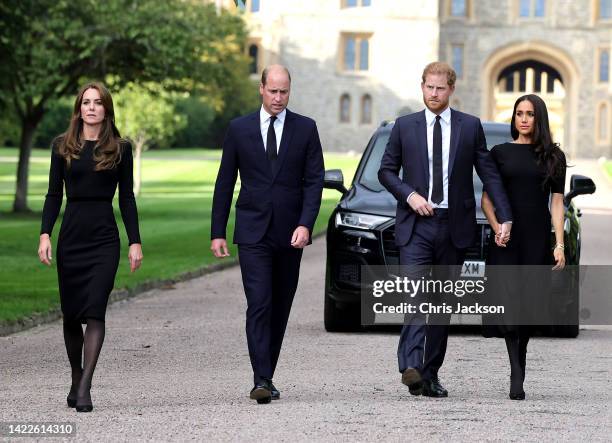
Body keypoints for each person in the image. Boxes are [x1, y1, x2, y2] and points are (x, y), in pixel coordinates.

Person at [378, 62, 512, 398]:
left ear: (451, 89)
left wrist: (505, 214)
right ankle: (410, 365)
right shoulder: (404, 127)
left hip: (454, 226)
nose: (434, 94)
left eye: (440, 88)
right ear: (421, 86)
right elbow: (386, 171)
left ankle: (430, 374)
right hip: (416, 225)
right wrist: (409, 195)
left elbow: (488, 173)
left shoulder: (470, 127)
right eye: (429, 87)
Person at [210, 64, 324, 404]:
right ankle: (260, 378)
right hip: (253, 231)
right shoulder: (239, 129)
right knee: (259, 303)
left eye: (284, 92)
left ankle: (267, 373)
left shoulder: (305, 128)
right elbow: (225, 181)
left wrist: (306, 223)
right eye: (273, 91)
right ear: (261, 89)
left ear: (290, 91)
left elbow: (314, 180)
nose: (278, 98)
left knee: (280, 306)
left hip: (291, 233)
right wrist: (218, 231)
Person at [38, 82, 143, 412]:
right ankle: (75, 375)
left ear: (106, 109)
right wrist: (44, 234)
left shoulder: (120, 149)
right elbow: (54, 194)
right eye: (86, 102)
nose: (92, 107)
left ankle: (85, 387)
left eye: (98, 103)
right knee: (71, 314)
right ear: (79, 108)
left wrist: (135, 241)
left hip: (104, 238)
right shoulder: (62, 146)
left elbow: (126, 197)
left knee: (95, 309)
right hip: (72, 236)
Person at [481, 94, 566, 400]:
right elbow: (487, 199)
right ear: (514, 118)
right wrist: (496, 229)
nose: (524, 119)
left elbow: (557, 203)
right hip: (507, 238)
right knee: (507, 302)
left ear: (539, 117)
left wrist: (559, 244)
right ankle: (516, 370)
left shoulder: (554, 156)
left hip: (536, 237)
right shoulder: (500, 153)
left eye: (530, 114)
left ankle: (519, 365)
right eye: (519, 114)